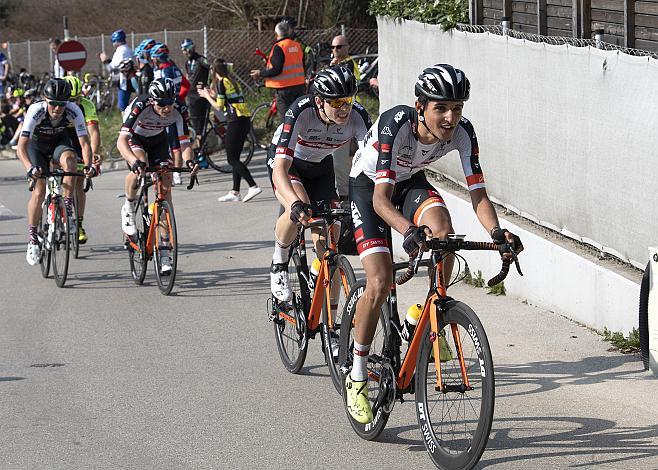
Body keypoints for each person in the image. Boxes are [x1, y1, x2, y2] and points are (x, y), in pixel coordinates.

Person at [345, 64, 524, 424]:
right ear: (420, 106)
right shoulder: (396, 125)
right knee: (379, 282)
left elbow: (478, 195)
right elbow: (382, 201)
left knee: (443, 233)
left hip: (409, 180)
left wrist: (496, 233)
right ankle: (358, 375)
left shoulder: (464, 133)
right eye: (441, 108)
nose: (450, 117)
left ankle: (427, 317)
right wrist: (408, 229)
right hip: (370, 188)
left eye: (457, 108)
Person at [267, 65, 371, 302]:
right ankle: (279, 262)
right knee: (302, 207)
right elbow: (280, 169)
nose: (344, 108)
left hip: (321, 166)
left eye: (347, 100)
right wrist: (293, 203)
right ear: (319, 101)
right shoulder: (300, 112)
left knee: (330, 238)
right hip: (288, 163)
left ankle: (331, 329)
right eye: (336, 103)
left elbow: (370, 164)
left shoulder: (358, 116)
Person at [117, 78, 198, 272]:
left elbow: (184, 143)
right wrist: (133, 161)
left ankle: (164, 251)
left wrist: (190, 161)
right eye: (162, 104)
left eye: (170, 102)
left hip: (158, 140)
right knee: (141, 163)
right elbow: (122, 141)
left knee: (164, 184)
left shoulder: (179, 109)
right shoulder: (140, 105)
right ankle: (128, 206)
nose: (167, 107)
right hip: (135, 138)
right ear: (153, 101)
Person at [15, 78, 94, 266]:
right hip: (37, 146)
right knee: (39, 190)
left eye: (61, 104)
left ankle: (67, 208)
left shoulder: (74, 110)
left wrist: (90, 165)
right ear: (45, 100)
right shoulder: (36, 111)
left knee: (71, 160)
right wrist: (30, 168)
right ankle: (33, 238)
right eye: (53, 104)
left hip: (59, 142)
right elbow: (21, 147)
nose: (58, 109)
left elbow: (84, 143)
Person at [198, 58, 261, 203]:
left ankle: (253, 185)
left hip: (235, 121)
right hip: (244, 119)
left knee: (231, 159)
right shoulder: (231, 81)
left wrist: (207, 96)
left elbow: (219, 107)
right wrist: (211, 93)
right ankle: (235, 192)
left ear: (214, 71)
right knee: (236, 157)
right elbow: (228, 99)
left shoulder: (220, 83)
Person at [64, 75, 102, 244]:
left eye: (78, 98)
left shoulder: (87, 105)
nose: (75, 102)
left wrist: (94, 155)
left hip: (80, 140)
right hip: (61, 138)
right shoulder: (58, 107)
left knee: (79, 182)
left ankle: (78, 224)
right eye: (71, 99)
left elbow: (93, 132)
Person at [150, 43, 190, 185]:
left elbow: (182, 86)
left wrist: (177, 100)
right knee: (175, 141)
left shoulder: (165, 71)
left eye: (154, 57)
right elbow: (186, 84)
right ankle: (175, 171)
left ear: (158, 58)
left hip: (169, 107)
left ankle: (177, 173)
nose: (152, 60)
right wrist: (181, 98)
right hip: (174, 104)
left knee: (174, 142)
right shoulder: (171, 66)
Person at [250, 21, 306, 121]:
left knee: (288, 121)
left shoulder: (279, 47)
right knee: (300, 117)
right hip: (300, 86)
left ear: (276, 34)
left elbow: (276, 70)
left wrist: (260, 73)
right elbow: (297, 63)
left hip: (285, 90)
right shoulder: (297, 45)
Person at [181, 38, 210, 140]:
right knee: (195, 123)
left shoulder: (200, 60)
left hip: (201, 95)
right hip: (191, 96)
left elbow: (212, 68)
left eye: (186, 49)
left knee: (201, 124)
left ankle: (202, 145)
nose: (185, 52)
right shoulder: (188, 63)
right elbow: (188, 76)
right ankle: (200, 145)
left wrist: (208, 83)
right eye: (184, 50)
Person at [98, 29, 133, 111]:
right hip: (128, 79)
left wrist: (105, 60)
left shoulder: (121, 51)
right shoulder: (128, 49)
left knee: (123, 106)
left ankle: (126, 122)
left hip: (124, 81)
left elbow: (111, 68)